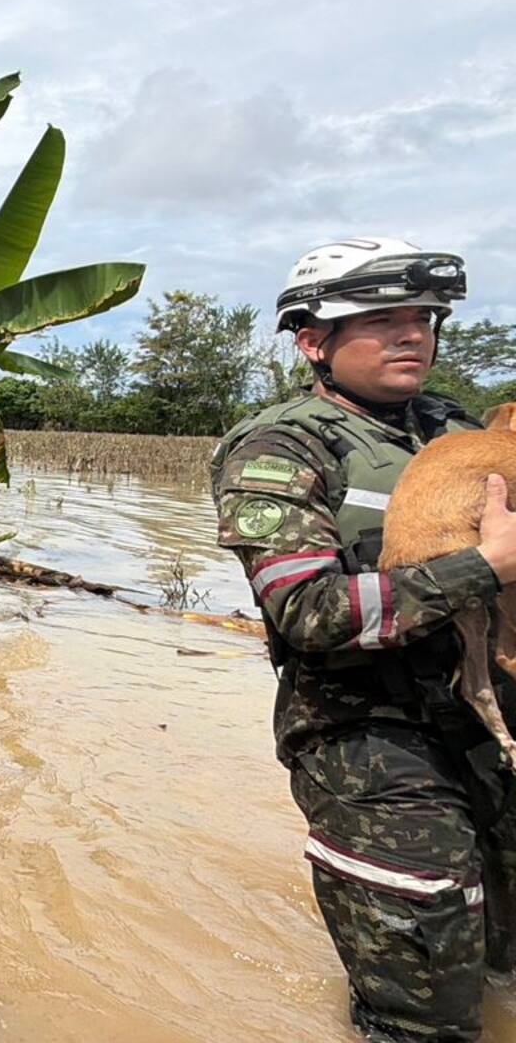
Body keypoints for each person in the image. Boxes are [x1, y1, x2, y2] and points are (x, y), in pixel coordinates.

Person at [211, 237, 516, 1042]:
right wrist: (483, 566)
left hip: (488, 730)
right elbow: (307, 612)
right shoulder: (281, 448)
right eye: (382, 321)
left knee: (502, 971)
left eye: (423, 319)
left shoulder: (454, 429)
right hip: (369, 742)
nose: (412, 335)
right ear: (314, 341)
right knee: (423, 1014)